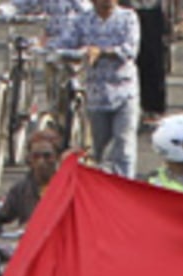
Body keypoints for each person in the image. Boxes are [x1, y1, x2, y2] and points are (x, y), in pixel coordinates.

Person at [52, 0, 139, 179]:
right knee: (99, 150)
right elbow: (64, 43)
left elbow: (130, 50)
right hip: (96, 96)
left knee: (124, 146)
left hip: (124, 93)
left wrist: (101, 52)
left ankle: (126, 189)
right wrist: (48, 46)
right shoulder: (82, 20)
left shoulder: (128, 18)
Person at [0, 129, 60, 232]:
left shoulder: (69, 188)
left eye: (47, 156)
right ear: (29, 159)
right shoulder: (21, 189)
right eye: (36, 156)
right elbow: (0, 215)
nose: (41, 161)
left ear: (57, 158)